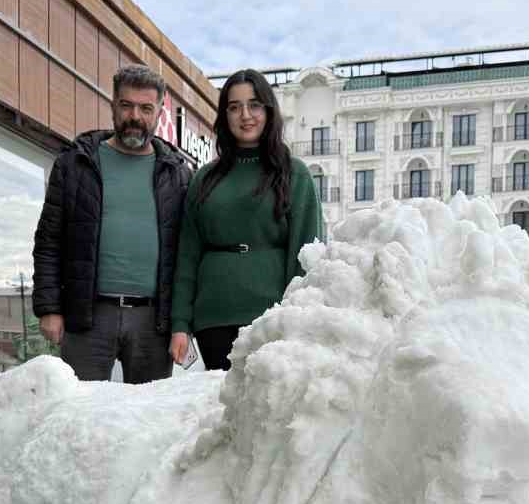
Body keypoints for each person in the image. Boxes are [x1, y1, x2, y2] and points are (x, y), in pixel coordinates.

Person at [32, 65, 192, 383]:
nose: (135, 116)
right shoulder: (75, 164)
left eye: (146, 108)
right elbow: (49, 240)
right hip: (88, 315)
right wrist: (49, 307)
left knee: (147, 419)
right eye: (126, 105)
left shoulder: (178, 174)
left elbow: (187, 254)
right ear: (112, 105)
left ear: (159, 112)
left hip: (153, 321)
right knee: (80, 415)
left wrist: (182, 324)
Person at [169, 69, 321, 372]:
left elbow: (306, 254)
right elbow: (187, 255)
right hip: (213, 318)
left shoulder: (294, 174)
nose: (245, 115)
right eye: (235, 106)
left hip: (273, 318)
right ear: (225, 115)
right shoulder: (205, 179)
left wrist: (298, 315)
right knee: (219, 410)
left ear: (268, 111)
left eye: (254, 105)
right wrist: (180, 323)